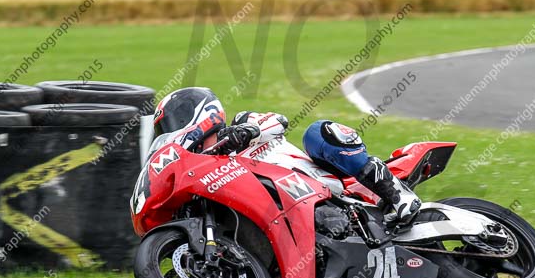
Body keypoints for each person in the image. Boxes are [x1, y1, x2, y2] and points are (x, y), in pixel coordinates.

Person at [151, 87, 421, 225]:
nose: (171, 130)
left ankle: (398, 194)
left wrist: (247, 131)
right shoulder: (203, 175)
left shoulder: (241, 124)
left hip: (322, 183)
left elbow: (278, 121)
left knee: (319, 133)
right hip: (287, 215)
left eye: (174, 122)